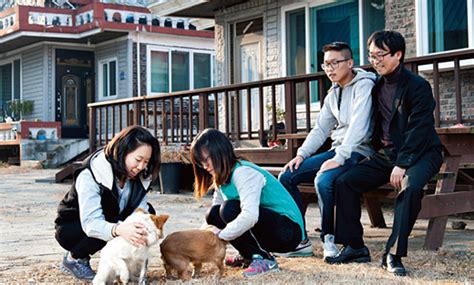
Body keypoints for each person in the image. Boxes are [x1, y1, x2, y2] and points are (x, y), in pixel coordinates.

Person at [326, 31, 443, 277]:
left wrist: (402, 163)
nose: (375, 61)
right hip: (387, 155)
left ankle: (393, 253)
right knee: (344, 181)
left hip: (421, 153)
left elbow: (419, 129)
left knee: (410, 187)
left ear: (398, 55)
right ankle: (355, 247)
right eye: (371, 56)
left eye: (380, 55)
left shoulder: (417, 86)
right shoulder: (377, 85)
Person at [278, 42, 376, 259]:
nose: (330, 69)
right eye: (326, 64)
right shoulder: (333, 93)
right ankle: (299, 238)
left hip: (359, 152)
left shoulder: (364, 85)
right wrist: (301, 154)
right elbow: (321, 128)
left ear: (349, 63)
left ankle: (329, 238)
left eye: (335, 63)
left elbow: (359, 127)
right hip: (338, 149)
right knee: (287, 175)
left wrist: (339, 158)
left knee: (323, 180)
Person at [191, 128, 305, 277]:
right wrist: (196, 238)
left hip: (289, 232)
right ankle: (249, 255)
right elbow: (214, 213)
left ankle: (264, 259)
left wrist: (222, 235)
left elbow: (250, 216)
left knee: (229, 209)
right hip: (270, 226)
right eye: (201, 163)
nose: (205, 166)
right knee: (213, 214)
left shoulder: (243, 172)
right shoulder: (221, 177)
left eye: (206, 160)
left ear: (220, 151)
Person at [54, 125, 161, 281]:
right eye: (138, 160)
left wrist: (144, 229)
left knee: (147, 214)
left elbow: (142, 208)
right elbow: (91, 223)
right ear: (122, 151)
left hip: (111, 218)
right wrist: (120, 229)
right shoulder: (91, 173)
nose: (141, 167)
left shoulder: (139, 176)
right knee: (111, 220)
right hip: (73, 227)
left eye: (146, 161)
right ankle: (74, 258)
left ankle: (128, 265)